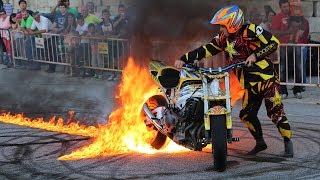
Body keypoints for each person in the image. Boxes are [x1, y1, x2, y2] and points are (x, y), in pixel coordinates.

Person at [174, 5, 294, 157]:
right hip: (249, 84)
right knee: (246, 115)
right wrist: (183, 59)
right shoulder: (223, 38)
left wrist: (255, 56)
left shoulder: (250, 29)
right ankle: (260, 143)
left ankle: (288, 142)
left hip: (266, 80)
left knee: (275, 112)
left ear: (232, 23)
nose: (220, 30)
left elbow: (273, 42)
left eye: (222, 26)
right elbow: (206, 49)